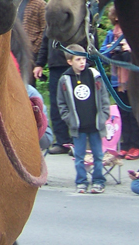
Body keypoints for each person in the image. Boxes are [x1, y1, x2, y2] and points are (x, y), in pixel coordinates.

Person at [57, 44, 110, 193]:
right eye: (78, 59)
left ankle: (99, 181)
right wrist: (69, 119)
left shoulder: (94, 75)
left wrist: (104, 114)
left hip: (95, 124)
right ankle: (81, 182)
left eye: (83, 59)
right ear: (70, 61)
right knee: (79, 156)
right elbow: (61, 103)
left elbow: (104, 97)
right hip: (78, 127)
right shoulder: (65, 79)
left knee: (98, 155)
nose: (82, 62)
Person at [34, 32, 94, 154]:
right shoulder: (51, 18)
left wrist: (90, 63)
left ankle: (77, 142)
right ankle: (62, 142)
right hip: (55, 66)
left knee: (78, 104)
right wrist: (40, 63)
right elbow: (46, 40)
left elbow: (90, 37)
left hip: (76, 67)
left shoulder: (79, 13)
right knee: (57, 105)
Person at [101, 6, 139, 160]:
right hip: (118, 80)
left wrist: (129, 49)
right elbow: (102, 51)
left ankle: (136, 145)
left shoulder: (133, 34)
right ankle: (126, 144)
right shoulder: (111, 34)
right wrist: (111, 49)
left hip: (132, 79)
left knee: (133, 112)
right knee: (123, 113)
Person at [18, 0, 46, 82]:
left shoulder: (39, 4)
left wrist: (33, 49)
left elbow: (45, 30)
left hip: (30, 53)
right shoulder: (16, 2)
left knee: (28, 84)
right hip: (14, 50)